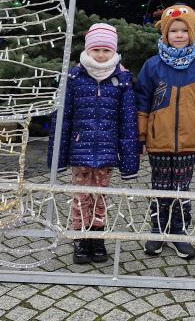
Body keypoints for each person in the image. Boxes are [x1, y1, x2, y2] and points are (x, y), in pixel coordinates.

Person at [48, 23, 138, 265]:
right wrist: (57, 157)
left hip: (107, 150)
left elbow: (128, 121)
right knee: (81, 196)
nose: (100, 55)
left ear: (114, 51)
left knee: (101, 196)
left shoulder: (122, 79)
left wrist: (129, 162)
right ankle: (80, 237)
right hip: (81, 150)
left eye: (106, 50)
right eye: (96, 50)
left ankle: (97, 237)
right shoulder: (74, 77)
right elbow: (62, 117)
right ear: (88, 50)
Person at [135, 4, 195, 260]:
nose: (179, 35)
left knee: (181, 188)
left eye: (184, 30)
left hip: (189, 141)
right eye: (174, 31)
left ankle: (179, 231)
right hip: (158, 139)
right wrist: (141, 136)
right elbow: (142, 101)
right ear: (165, 33)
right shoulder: (152, 66)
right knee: (160, 187)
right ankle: (158, 230)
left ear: (192, 32)